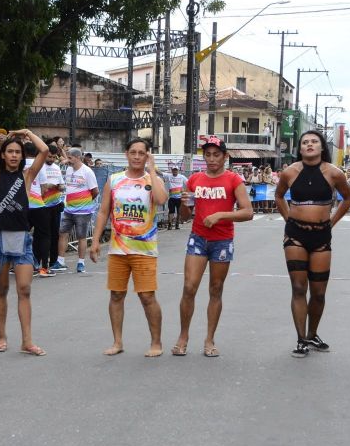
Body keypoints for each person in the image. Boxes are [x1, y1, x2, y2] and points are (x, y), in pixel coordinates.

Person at [170, 136, 254, 357]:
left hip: (222, 241)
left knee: (215, 290)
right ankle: (183, 336)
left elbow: (248, 212)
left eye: (216, 155)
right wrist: (185, 203)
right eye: (207, 155)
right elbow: (185, 216)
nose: (211, 159)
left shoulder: (233, 180)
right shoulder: (194, 179)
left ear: (225, 157)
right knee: (189, 287)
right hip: (198, 238)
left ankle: (209, 339)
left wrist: (220, 215)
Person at [275, 130, 350, 357]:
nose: (309, 145)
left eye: (314, 142)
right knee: (299, 288)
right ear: (300, 148)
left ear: (321, 147)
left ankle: (312, 334)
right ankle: (301, 339)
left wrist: (332, 221)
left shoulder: (334, 173)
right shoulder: (290, 172)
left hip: (321, 237)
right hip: (295, 236)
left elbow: (348, 197)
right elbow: (279, 196)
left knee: (318, 292)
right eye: (305, 142)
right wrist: (288, 218)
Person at [90, 138, 168, 357]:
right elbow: (104, 211)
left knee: (147, 297)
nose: (136, 156)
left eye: (141, 153)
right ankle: (117, 342)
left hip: (144, 249)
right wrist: (95, 241)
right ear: (126, 154)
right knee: (116, 295)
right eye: (132, 152)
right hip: (118, 249)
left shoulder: (153, 180)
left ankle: (156, 342)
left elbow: (161, 199)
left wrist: (152, 170)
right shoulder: (114, 180)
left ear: (147, 156)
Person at [0, 129, 49, 356]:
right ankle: (1, 336)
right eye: (10, 152)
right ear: (3, 155)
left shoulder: (27, 177)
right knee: (1, 289)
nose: (14, 155)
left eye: (18, 152)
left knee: (24, 289)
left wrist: (27, 132)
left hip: (22, 240)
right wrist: (2, 149)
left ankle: (27, 341)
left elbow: (45, 150)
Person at [50, 147, 99, 273]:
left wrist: (85, 202)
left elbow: (95, 191)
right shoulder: (69, 169)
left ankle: (81, 263)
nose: (68, 160)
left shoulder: (87, 172)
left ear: (78, 157)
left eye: (70, 158)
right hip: (69, 209)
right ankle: (60, 261)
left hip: (83, 211)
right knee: (63, 233)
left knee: (81, 236)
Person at [32, 143, 65, 276]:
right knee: (41, 235)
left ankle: (53, 261)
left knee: (54, 234)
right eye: (49, 156)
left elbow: (62, 183)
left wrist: (60, 186)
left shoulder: (57, 168)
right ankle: (37, 260)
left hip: (56, 204)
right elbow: (41, 185)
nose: (51, 159)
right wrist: (50, 185)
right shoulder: (39, 166)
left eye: (53, 157)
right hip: (42, 205)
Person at [166, 166, 187, 230]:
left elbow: (189, 183)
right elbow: (160, 173)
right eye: (174, 170)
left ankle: (177, 224)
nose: (175, 171)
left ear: (178, 171)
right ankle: (170, 225)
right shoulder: (168, 176)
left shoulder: (182, 177)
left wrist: (185, 191)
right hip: (172, 198)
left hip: (179, 198)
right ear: (172, 170)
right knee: (171, 212)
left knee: (179, 212)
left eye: (176, 170)